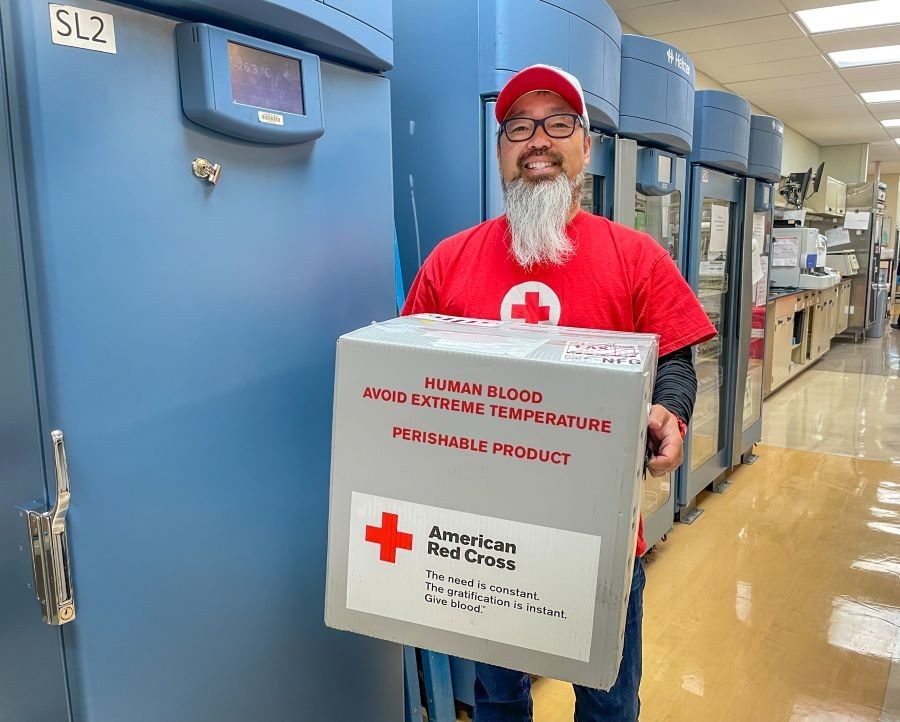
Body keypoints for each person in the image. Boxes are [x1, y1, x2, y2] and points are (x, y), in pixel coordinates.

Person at [401, 64, 716, 722]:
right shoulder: (448, 262)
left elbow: (676, 360)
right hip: (484, 536)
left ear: (585, 147)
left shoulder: (636, 257)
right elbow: (407, 377)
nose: (537, 140)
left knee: (607, 699)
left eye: (558, 124)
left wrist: (672, 413)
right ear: (499, 152)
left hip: (600, 539)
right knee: (497, 695)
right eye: (518, 126)